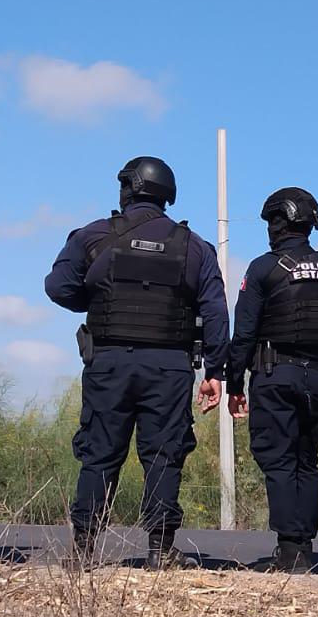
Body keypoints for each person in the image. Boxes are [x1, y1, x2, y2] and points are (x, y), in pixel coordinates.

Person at [43, 156, 229, 570]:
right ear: (168, 194)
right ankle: (161, 551)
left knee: (100, 454)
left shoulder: (93, 236)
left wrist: (92, 301)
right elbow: (216, 312)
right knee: (163, 455)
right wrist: (215, 372)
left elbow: (57, 287)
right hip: (169, 367)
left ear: (127, 189)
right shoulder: (195, 246)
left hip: (108, 362)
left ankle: (83, 550)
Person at [228, 187, 318, 573]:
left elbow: (244, 336)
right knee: (307, 460)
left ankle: (290, 551)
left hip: (274, 375)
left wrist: (234, 385)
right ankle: (304, 544)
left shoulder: (262, 269)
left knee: (279, 460)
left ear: (277, 223)